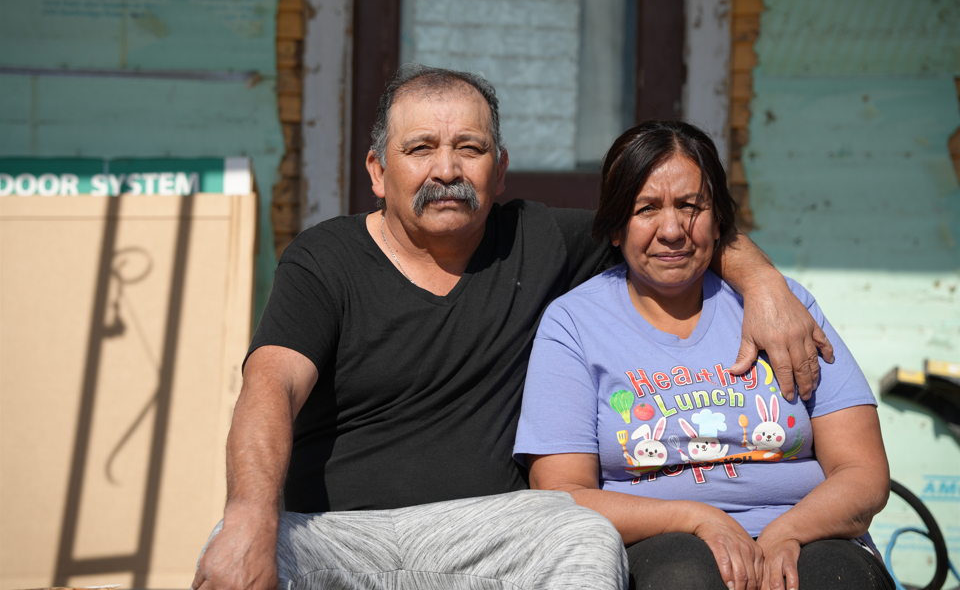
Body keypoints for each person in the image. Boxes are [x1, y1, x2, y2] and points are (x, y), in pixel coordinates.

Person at [192, 66, 836, 590]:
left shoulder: (538, 238)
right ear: (378, 171)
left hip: (498, 536)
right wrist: (249, 517)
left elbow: (664, 229)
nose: (447, 169)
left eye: (468, 148)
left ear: (499, 169)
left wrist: (765, 284)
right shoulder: (322, 260)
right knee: (238, 551)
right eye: (420, 149)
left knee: (583, 536)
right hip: (343, 535)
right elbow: (269, 387)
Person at [514, 120, 894, 590]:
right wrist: (696, 517)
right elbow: (561, 493)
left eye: (691, 207)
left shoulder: (783, 309)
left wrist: (786, 533)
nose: (672, 230)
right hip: (658, 542)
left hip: (807, 534)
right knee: (685, 577)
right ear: (615, 227)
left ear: (718, 221)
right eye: (646, 209)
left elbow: (863, 471)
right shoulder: (574, 323)